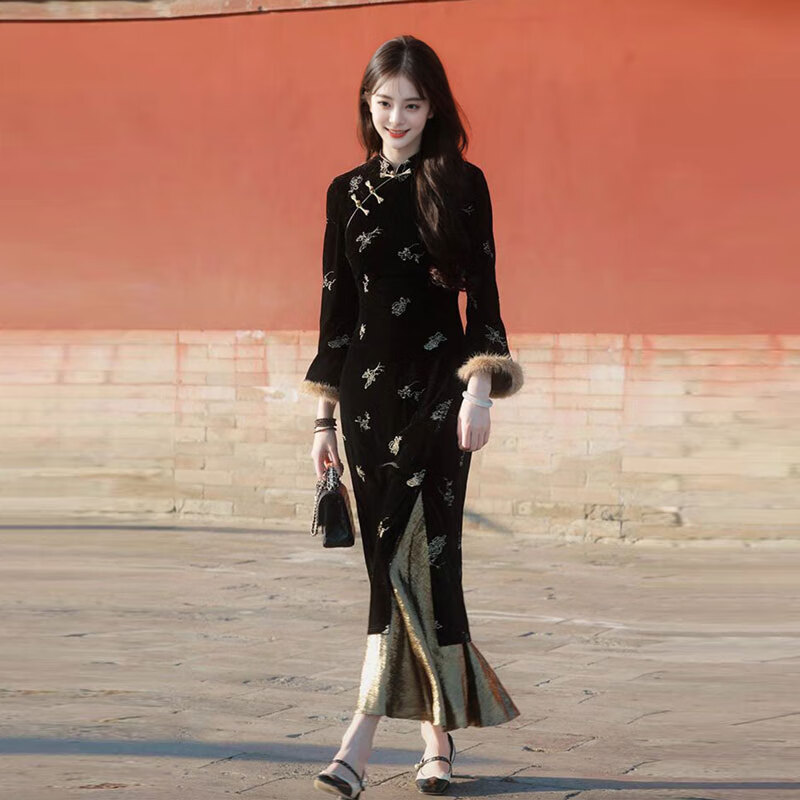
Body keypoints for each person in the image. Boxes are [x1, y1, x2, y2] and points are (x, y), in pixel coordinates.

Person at [300, 35, 524, 798]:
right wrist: (323, 425)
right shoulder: (344, 193)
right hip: (365, 405)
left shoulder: (462, 184)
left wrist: (480, 392)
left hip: (439, 396)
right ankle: (437, 739)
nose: (396, 118)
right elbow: (335, 317)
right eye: (384, 102)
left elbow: (484, 301)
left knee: (424, 556)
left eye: (413, 104)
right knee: (386, 566)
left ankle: (357, 745)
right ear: (367, 104)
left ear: (435, 108)